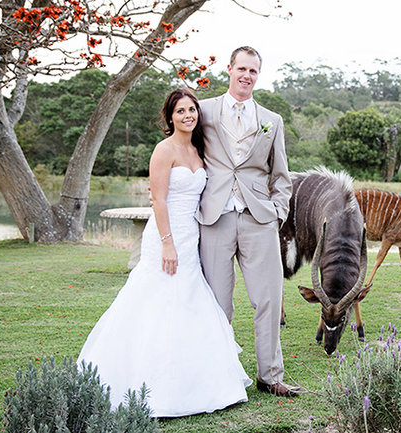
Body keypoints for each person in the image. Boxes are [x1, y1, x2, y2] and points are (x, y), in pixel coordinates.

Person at [78, 88, 252, 417]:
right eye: (181, 111)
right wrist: (168, 243)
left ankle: (198, 382)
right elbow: (158, 200)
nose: (188, 116)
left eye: (192, 110)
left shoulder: (200, 150)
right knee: (154, 301)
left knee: (191, 300)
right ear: (170, 117)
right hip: (166, 237)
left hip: (192, 236)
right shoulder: (164, 149)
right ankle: (146, 382)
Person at [195, 46, 298, 397]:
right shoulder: (204, 111)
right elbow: (184, 153)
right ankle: (218, 373)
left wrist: (277, 214)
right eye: (241, 69)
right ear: (229, 69)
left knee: (268, 298)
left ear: (258, 74)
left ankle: (271, 376)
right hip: (215, 217)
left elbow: (281, 175)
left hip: (259, 220)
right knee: (217, 303)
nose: (246, 76)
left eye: (253, 71)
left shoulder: (273, 119)